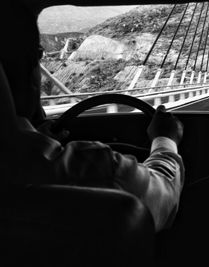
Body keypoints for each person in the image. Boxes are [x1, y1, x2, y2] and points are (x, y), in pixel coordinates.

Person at [0, 1, 184, 232]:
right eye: (38, 56)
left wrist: (37, 135)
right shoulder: (76, 169)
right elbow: (162, 199)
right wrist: (166, 140)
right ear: (19, 69)